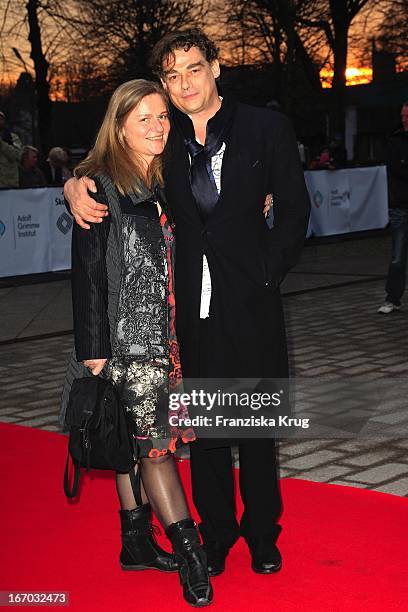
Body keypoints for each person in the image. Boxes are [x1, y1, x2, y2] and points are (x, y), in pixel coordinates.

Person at [64, 29, 310, 582]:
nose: (183, 85)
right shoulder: (164, 139)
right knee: (204, 430)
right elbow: (109, 159)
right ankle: (217, 534)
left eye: (193, 70)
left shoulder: (265, 128)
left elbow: (294, 210)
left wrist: (268, 271)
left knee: (256, 426)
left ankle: (263, 535)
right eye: (171, 76)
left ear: (216, 67)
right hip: (184, 312)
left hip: (252, 301)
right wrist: (72, 183)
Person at [59, 79, 212, 607]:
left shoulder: (165, 180)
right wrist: (93, 351)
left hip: (166, 340)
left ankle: (136, 545)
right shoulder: (101, 185)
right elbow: (89, 274)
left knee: (128, 445)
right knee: (155, 452)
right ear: (118, 125)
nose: (156, 126)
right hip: (123, 345)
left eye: (162, 117)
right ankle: (192, 555)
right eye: (142, 118)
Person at [378, 102, 408, 314]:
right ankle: (392, 298)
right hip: (401, 205)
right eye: (403, 115)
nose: (405, 119)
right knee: (398, 256)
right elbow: (396, 169)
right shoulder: (395, 139)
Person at [0, 110, 22, 188]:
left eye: (0, 119)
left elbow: (16, 156)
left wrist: (1, 143)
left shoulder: (13, 138)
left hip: (9, 184)